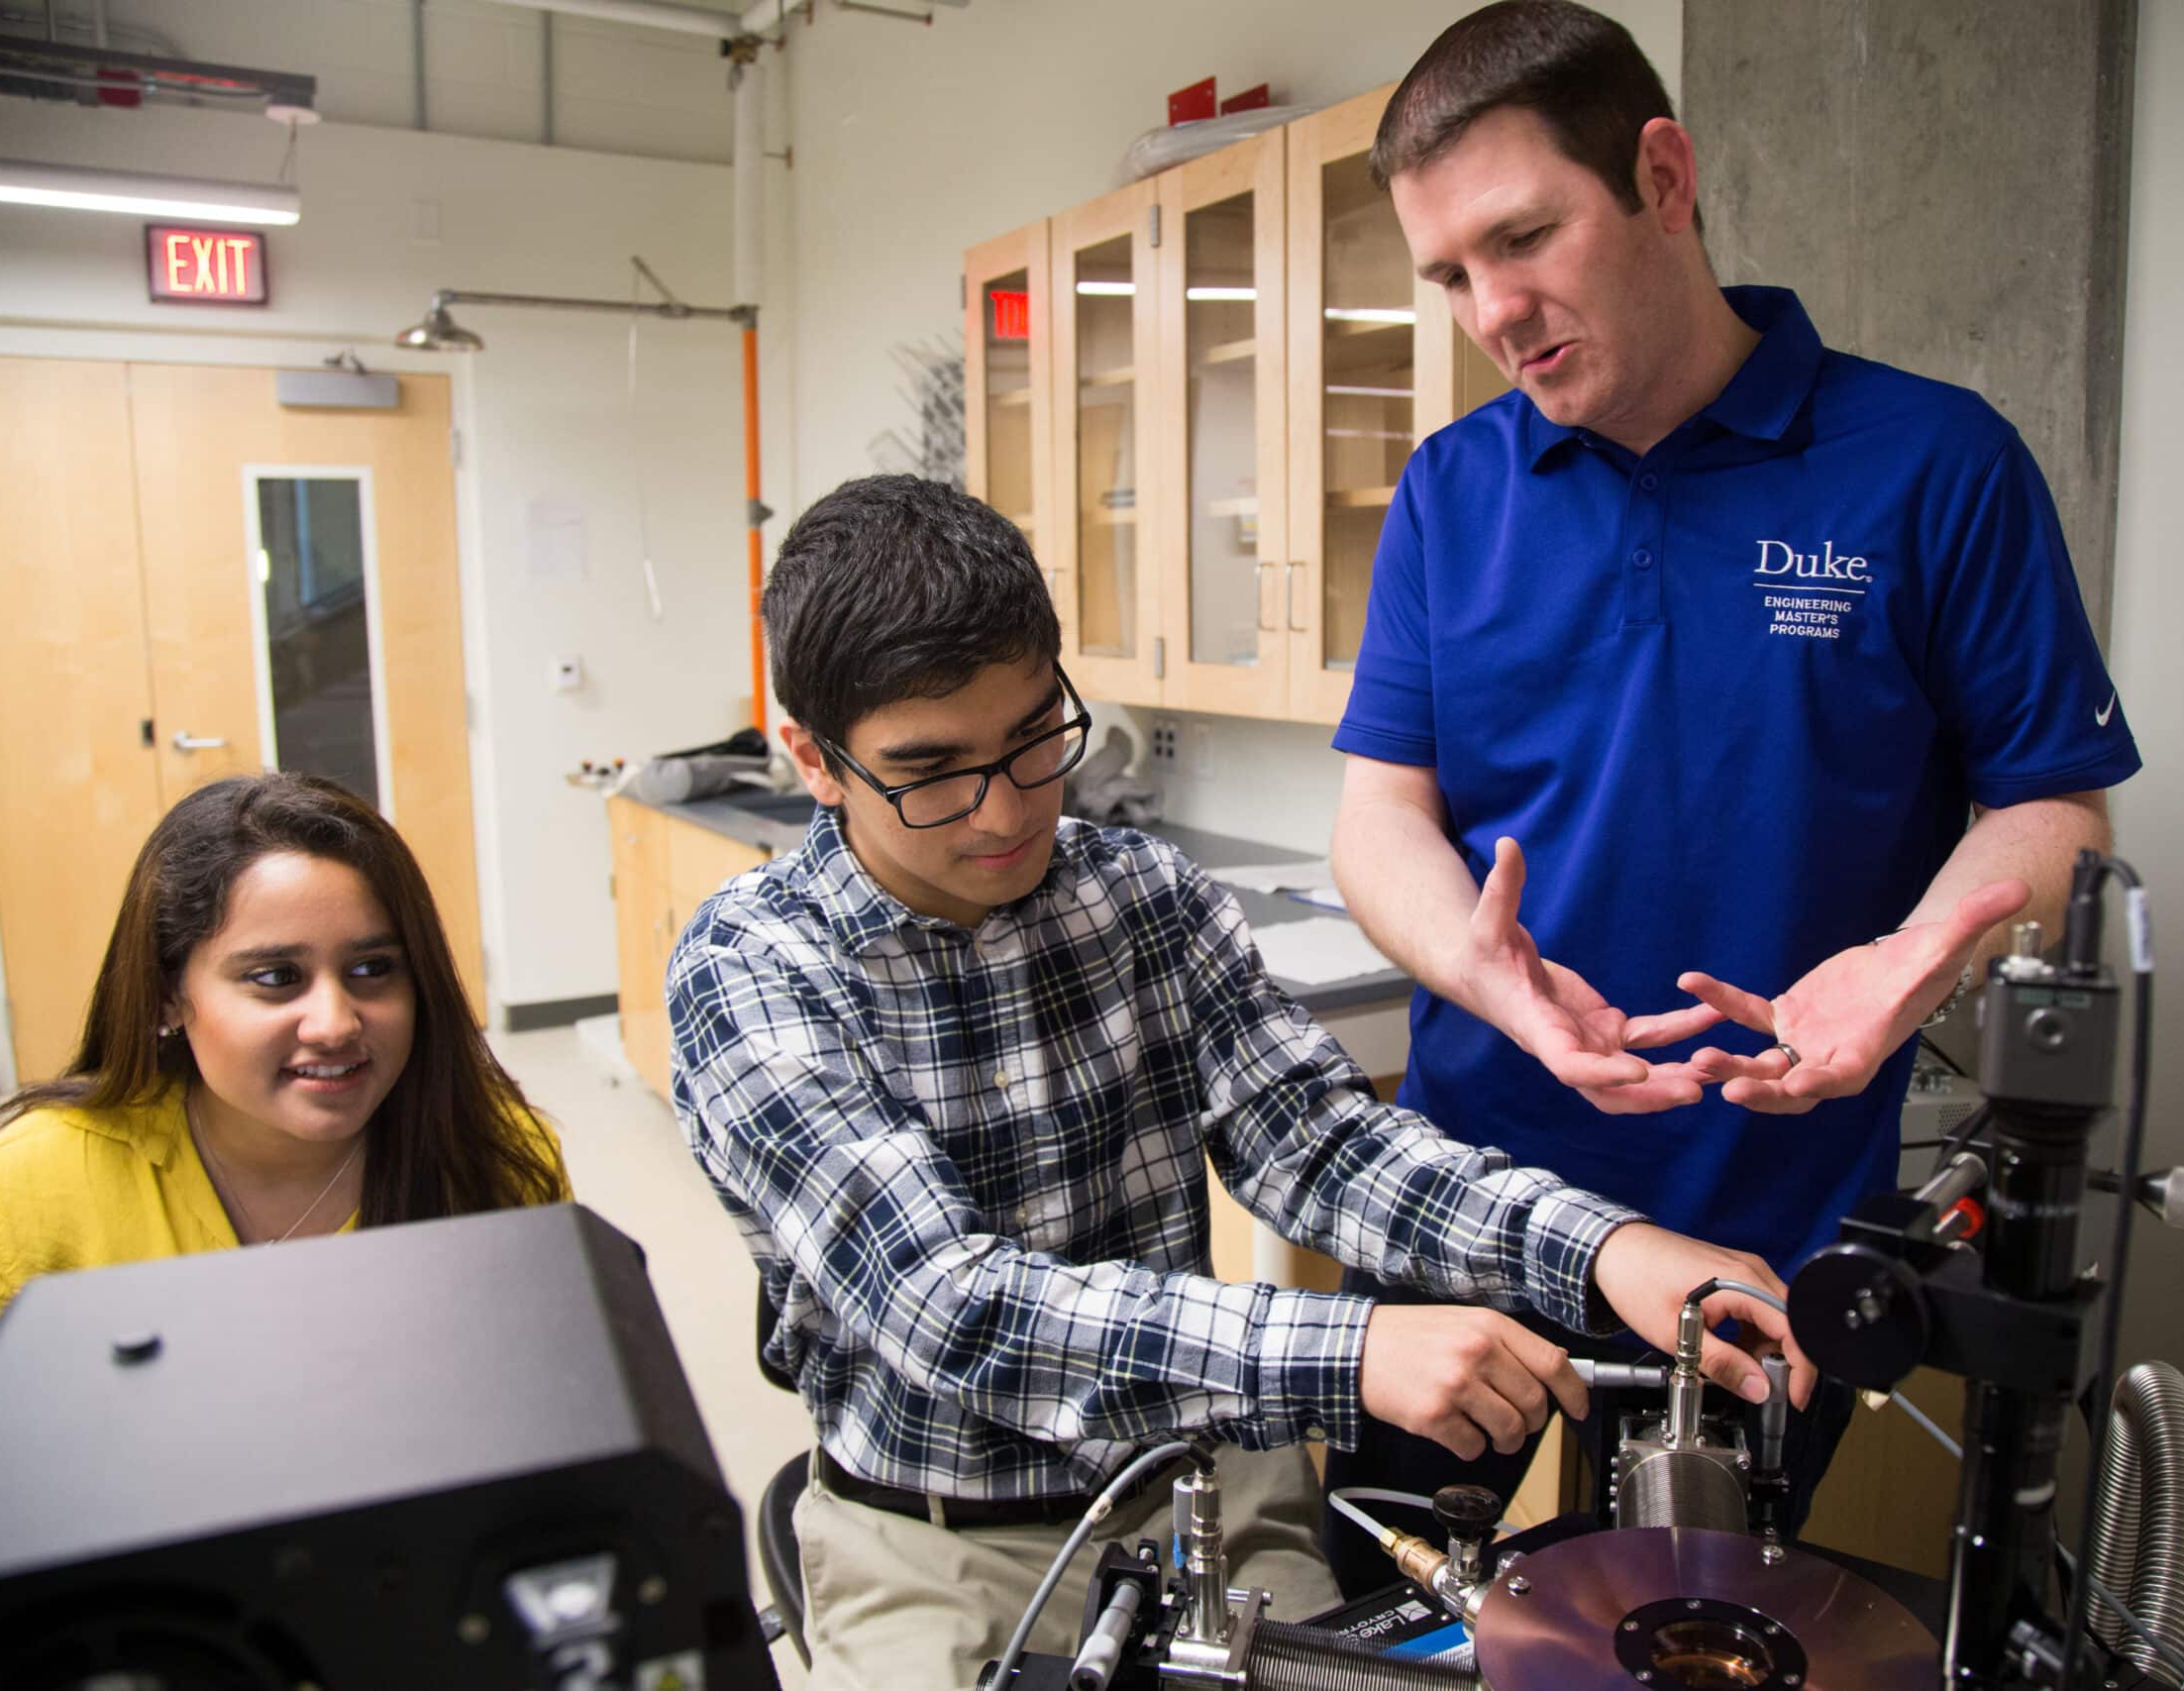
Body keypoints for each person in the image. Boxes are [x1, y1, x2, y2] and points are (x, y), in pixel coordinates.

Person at [667, 474, 1814, 1691]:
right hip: (941, 1545)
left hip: (1208, 1492)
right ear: (815, 759)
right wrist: (1354, 1349)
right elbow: (955, 1308)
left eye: (1030, 741)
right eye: (931, 770)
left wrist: (1601, 1250)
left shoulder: (1143, 898)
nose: (1004, 812)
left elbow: (1318, 1145)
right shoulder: (754, 970)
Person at [1320, 0, 2144, 1588]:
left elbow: (2057, 813)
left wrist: (1907, 969)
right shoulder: (1449, 490)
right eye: (1450, 277)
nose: (1494, 311)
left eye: (1525, 237)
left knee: (1690, 1624)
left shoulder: (1934, 464)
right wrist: (1472, 960)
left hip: (1762, 1231)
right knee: (1401, 1614)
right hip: (1468, 1208)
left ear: (1664, 174)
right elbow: (1381, 816)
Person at [0, 773, 572, 1416]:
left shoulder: (497, 1155)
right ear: (169, 991)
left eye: (373, 969)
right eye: (276, 977)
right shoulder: (29, 1191)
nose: (336, 1022)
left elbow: (563, 1422)